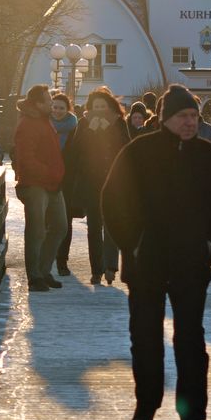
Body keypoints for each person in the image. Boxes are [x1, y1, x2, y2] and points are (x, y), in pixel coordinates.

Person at [102, 84, 211, 420]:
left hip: (192, 262)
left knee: (190, 340)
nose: (190, 122)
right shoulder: (139, 152)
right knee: (145, 337)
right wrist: (132, 245)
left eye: (194, 116)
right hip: (146, 261)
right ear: (166, 118)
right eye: (182, 116)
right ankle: (146, 406)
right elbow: (112, 200)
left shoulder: (208, 156)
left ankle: (193, 419)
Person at [64, 87, 130, 284]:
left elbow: (126, 147)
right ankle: (96, 269)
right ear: (90, 107)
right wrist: (91, 130)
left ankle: (110, 266)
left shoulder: (118, 123)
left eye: (103, 106)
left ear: (110, 106)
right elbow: (75, 150)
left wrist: (108, 130)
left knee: (110, 225)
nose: (99, 109)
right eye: (96, 106)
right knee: (94, 227)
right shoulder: (84, 123)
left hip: (113, 181)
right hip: (91, 182)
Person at [15, 84, 68, 292]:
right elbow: (26, 158)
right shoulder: (28, 124)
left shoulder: (45, 122)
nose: (52, 104)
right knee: (36, 230)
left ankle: (44, 270)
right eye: (48, 101)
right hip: (35, 184)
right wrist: (49, 172)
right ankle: (35, 276)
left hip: (52, 183)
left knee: (60, 226)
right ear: (38, 104)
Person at [50, 92, 78, 276]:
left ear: (67, 110)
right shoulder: (44, 125)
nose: (57, 111)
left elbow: (79, 154)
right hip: (47, 178)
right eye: (54, 107)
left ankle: (62, 260)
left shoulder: (74, 128)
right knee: (47, 220)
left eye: (61, 108)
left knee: (65, 220)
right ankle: (49, 256)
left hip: (68, 180)